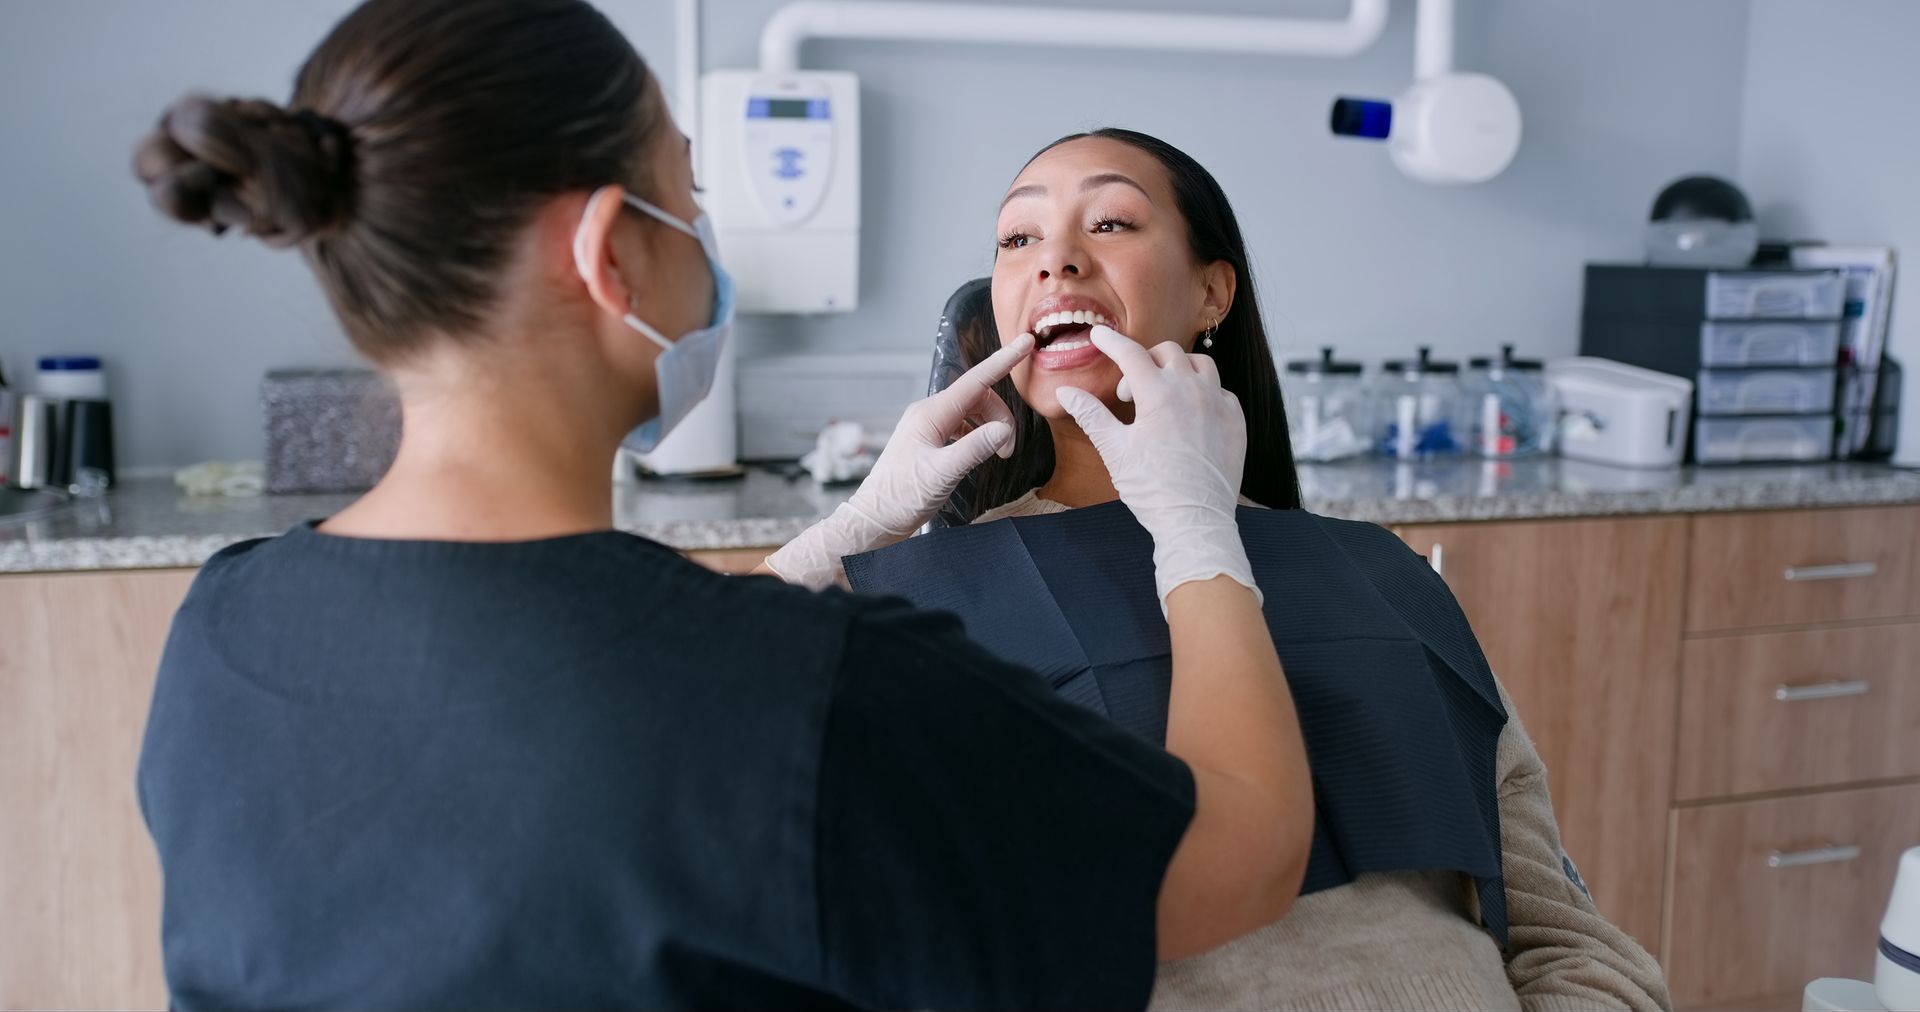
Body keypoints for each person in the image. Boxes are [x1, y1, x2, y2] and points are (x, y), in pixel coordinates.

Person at [130, 3, 1315, 1008]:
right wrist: (1199, 528)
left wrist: (848, 532)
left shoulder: (226, 622)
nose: (705, 237)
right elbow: (1243, 853)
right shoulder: (815, 691)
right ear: (611, 253)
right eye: (686, 194)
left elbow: (589, 707)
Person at [813, 127, 1675, 1011]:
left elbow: (1566, 937)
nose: (1056, 261)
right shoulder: (936, 600)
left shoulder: (1378, 570)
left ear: (1212, 293)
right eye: (1018, 239)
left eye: (1109, 223)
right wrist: (848, 531)